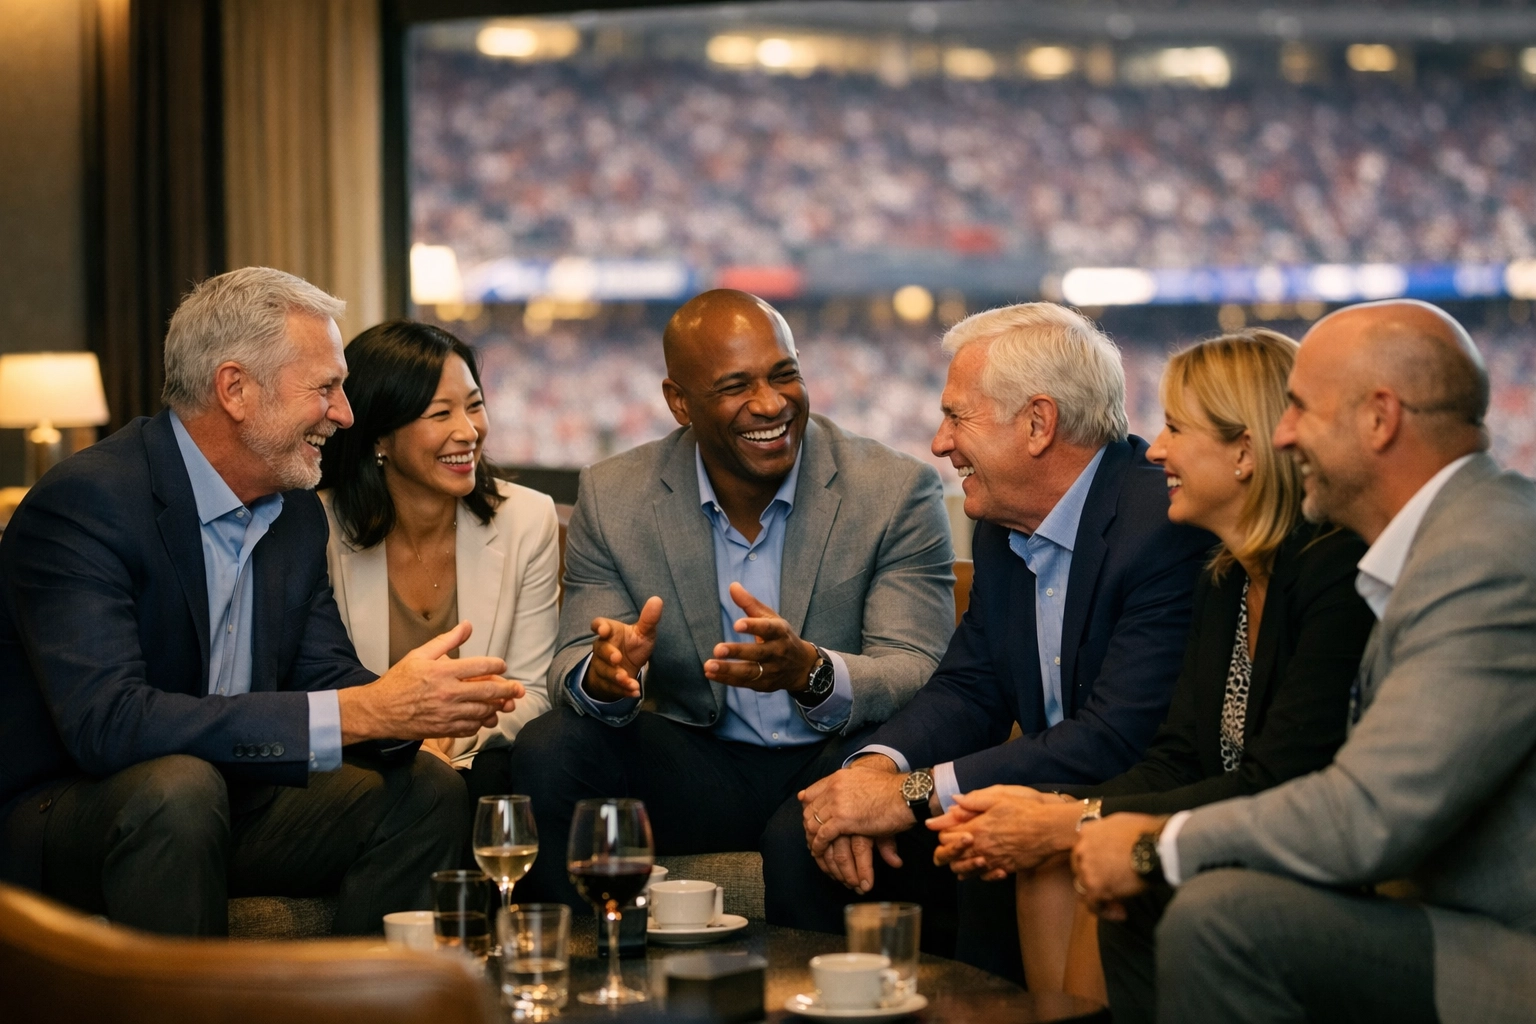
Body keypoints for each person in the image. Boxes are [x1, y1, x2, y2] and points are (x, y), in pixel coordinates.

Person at [0, 268, 524, 936]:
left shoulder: (296, 517)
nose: (346, 415)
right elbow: (109, 723)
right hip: (74, 810)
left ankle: (355, 1005)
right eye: (327, 389)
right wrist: (362, 710)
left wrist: (411, 707)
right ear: (235, 389)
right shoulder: (91, 502)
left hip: (233, 795)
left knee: (428, 792)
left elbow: (326, 676)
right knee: (178, 788)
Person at [1073, 299, 1536, 1024]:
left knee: (1218, 914)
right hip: (1433, 904)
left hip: (1505, 944)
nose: (1284, 436)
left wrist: (1152, 844)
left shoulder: (1483, 557)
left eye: (1300, 410)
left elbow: (1367, 813)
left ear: (1379, 420)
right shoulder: (1453, 539)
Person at [922, 330, 1372, 1004]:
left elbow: (1277, 782)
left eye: (1175, 428)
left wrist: (1076, 819)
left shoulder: (1329, 572)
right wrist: (1061, 813)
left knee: (1072, 848)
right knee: (1048, 857)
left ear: (1245, 453)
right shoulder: (1225, 574)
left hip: (1297, 846)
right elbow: (1175, 759)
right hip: (1215, 822)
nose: (1154, 449)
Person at [778, 303, 1212, 979]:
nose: (939, 442)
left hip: (1123, 800)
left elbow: (1114, 739)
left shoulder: (1161, 523)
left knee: (980, 846)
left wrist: (914, 792)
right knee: (808, 829)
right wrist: (875, 769)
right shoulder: (1002, 522)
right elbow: (970, 684)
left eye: (957, 416)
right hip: (1020, 789)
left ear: (1038, 424)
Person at [502, 289, 955, 908]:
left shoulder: (895, 489)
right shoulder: (614, 495)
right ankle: (584, 976)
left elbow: (918, 665)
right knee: (551, 749)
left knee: (801, 833)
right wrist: (605, 676)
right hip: (698, 760)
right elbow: (575, 659)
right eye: (736, 386)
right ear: (679, 402)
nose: (770, 404)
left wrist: (813, 673)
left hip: (837, 758)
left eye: (784, 375)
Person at [318, 320, 559, 793]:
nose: (468, 431)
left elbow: (533, 692)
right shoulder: (316, 527)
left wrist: (441, 728)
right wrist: (401, 736)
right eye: (440, 413)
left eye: (474, 406)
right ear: (379, 436)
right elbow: (317, 691)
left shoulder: (528, 518)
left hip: (480, 762)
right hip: (362, 769)